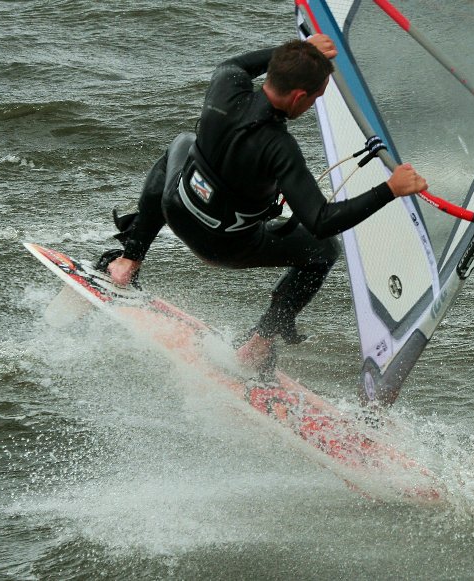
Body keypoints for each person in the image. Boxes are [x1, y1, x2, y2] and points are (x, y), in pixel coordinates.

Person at [105, 34, 427, 378]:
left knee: (181, 143)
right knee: (323, 252)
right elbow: (321, 220)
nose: (314, 103)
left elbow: (236, 64)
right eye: (316, 97)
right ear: (299, 96)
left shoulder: (224, 87)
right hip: (222, 244)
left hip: (178, 207)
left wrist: (300, 54)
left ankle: (128, 260)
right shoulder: (279, 148)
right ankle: (259, 343)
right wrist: (390, 189)